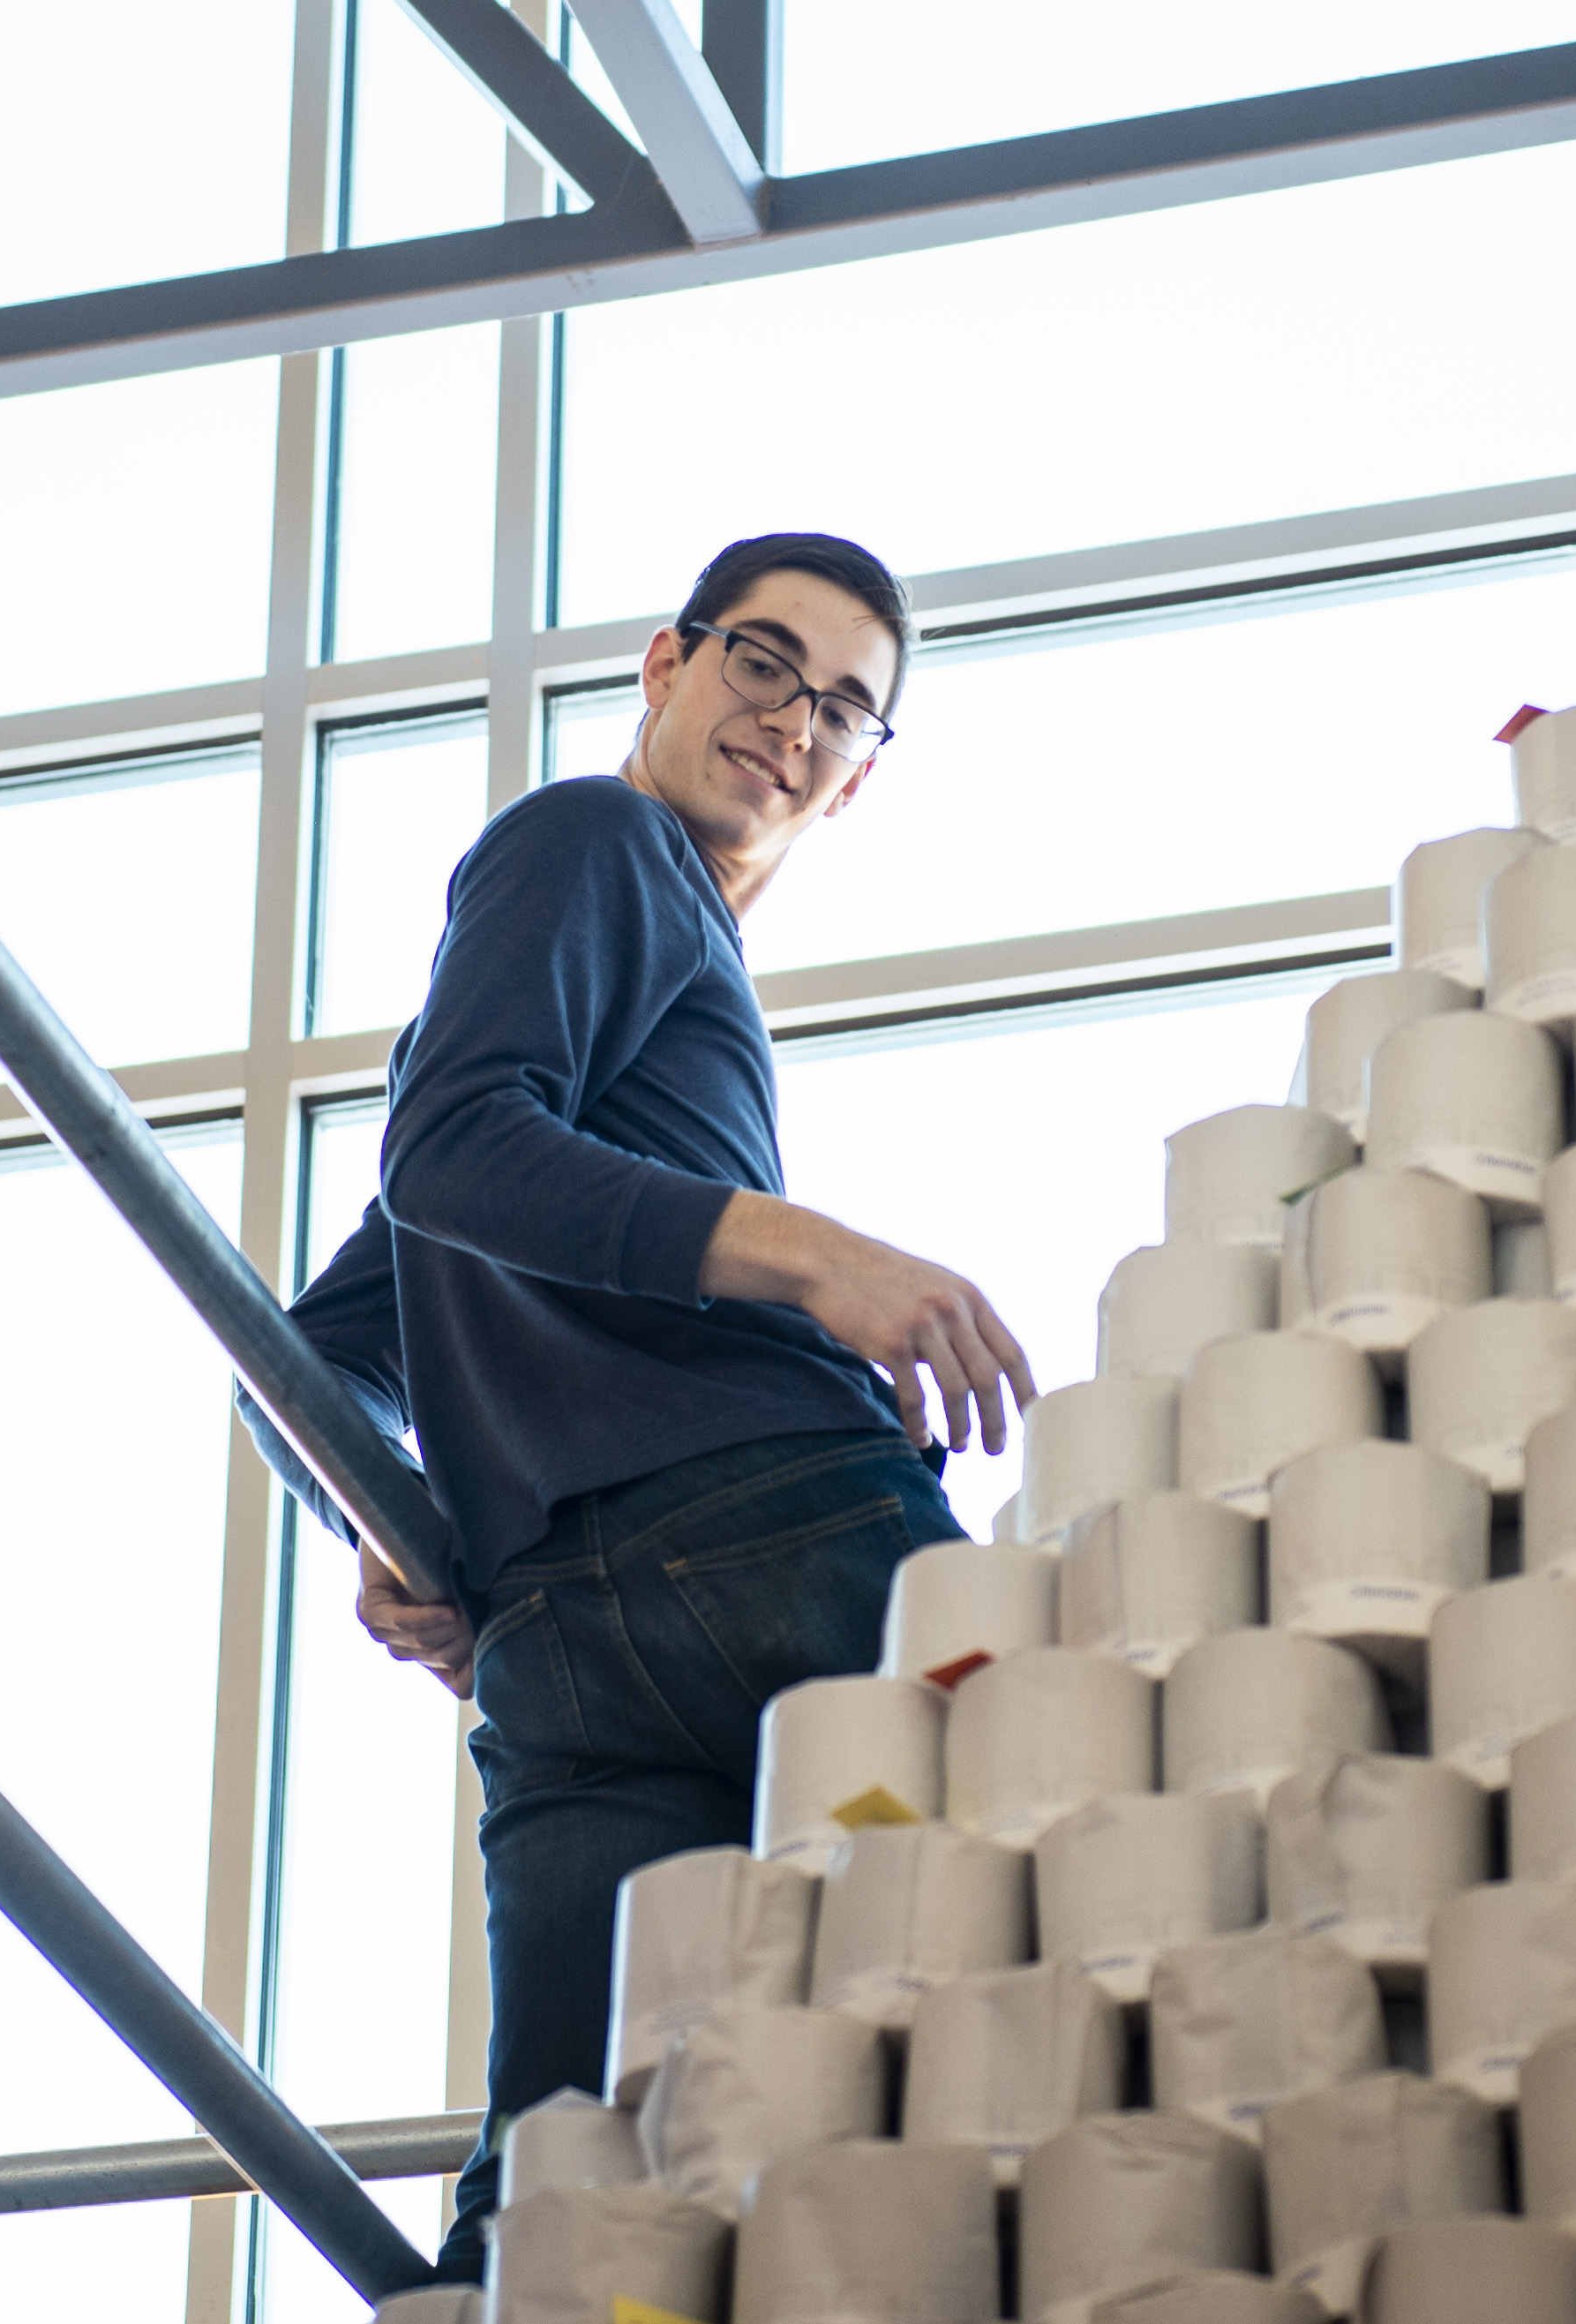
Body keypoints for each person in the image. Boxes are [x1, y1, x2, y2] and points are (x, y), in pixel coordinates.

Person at [244, 532, 1035, 2283]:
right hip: (771, 1531)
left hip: (573, 1663)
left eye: (846, 709)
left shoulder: (612, 981)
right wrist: (813, 1256)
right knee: (1016, 1960)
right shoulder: (592, 841)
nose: (796, 722)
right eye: (765, 664)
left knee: (569, 2182)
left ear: (859, 782)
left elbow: (313, 1352)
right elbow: (451, 1148)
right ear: (666, 667)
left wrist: (399, 1527)